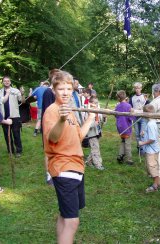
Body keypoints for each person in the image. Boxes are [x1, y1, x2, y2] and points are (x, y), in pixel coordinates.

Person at [43, 70, 96, 244]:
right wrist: (61, 119)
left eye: (68, 88)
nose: (65, 92)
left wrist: (90, 117)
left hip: (76, 166)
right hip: (64, 168)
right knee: (73, 221)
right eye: (61, 89)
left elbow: (78, 136)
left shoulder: (69, 110)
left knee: (65, 215)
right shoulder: (53, 111)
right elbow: (52, 137)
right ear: (53, 90)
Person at [0, 76, 25, 157]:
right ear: (2, 82)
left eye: (8, 81)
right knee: (7, 135)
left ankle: (19, 151)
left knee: (16, 134)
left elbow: (22, 101)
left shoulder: (15, 91)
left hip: (15, 116)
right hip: (5, 117)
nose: (6, 82)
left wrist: (22, 94)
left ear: (10, 82)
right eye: (5, 81)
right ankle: (10, 151)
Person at [138, 104, 160, 192]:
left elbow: (152, 139)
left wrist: (142, 143)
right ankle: (158, 183)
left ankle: (155, 186)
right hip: (154, 149)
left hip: (151, 150)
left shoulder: (150, 124)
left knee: (152, 167)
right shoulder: (152, 123)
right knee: (155, 166)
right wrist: (144, 133)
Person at [115, 90, 134, 165]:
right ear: (125, 96)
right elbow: (131, 117)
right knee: (128, 143)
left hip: (120, 127)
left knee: (123, 141)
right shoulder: (128, 106)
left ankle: (120, 156)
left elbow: (116, 115)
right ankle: (129, 159)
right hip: (126, 127)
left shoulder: (118, 106)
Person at [85, 97, 104, 170]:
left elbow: (101, 121)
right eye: (94, 103)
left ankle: (88, 162)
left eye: (97, 103)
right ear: (90, 103)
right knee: (96, 149)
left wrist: (104, 118)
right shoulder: (87, 112)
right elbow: (87, 125)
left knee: (94, 148)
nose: (96, 104)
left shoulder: (97, 111)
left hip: (97, 132)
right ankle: (98, 164)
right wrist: (95, 124)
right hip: (91, 134)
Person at [129, 82, 147, 153]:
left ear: (141, 88)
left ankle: (143, 149)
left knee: (142, 133)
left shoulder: (144, 97)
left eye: (138, 88)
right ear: (134, 89)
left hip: (143, 118)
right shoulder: (132, 98)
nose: (137, 90)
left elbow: (148, 107)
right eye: (136, 88)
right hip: (135, 118)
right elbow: (130, 107)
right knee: (137, 134)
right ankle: (139, 147)